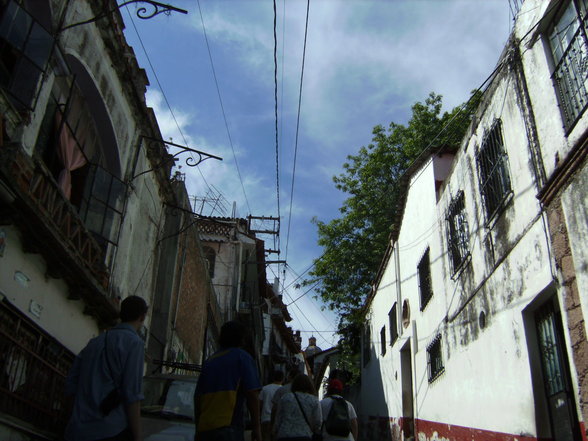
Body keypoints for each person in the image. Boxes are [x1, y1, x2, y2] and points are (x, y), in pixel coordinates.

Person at [65, 295, 148, 441]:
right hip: (109, 429)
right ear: (142, 317)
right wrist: (138, 436)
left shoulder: (95, 342)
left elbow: (72, 382)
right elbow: (132, 394)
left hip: (78, 429)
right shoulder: (134, 344)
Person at [194, 320, 262, 441]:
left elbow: (198, 398)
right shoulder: (242, 358)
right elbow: (252, 394)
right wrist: (256, 428)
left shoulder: (210, 361)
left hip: (204, 429)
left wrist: (198, 428)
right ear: (241, 339)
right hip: (228, 428)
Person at [274, 374, 322, 441]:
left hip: (284, 435)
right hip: (304, 435)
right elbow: (318, 422)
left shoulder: (285, 398)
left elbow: (278, 418)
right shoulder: (314, 400)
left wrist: (275, 432)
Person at [260, 370, 284, 441]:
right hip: (279, 421)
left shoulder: (265, 389)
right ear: (283, 378)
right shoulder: (283, 390)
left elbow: (260, 404)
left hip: (265, 418)